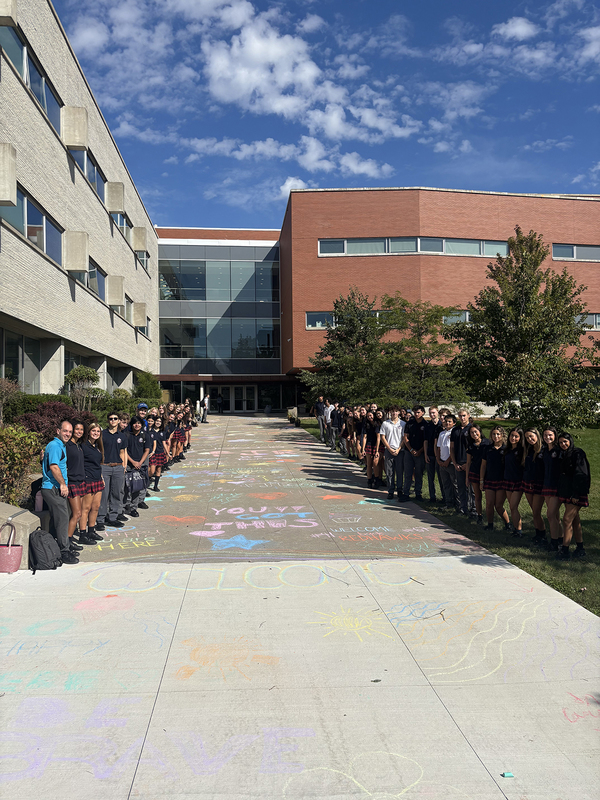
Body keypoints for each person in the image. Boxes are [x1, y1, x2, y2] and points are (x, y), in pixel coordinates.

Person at [40, 419, 79, 564]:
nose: (67, 434)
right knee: (63, 518)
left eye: (69, 431)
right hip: (53, 488)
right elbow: (54, 467)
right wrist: (63, 484)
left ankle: (60, 547)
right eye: (65, 431)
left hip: (55, 487)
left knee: (62, 517)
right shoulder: (56, 445)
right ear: (58, 431)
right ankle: (64, 552)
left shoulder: (58, 445)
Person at [556, 432, 590, 561]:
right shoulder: (563, 454)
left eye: (565, 441)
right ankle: (580, 548)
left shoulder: (577, 453)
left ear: (570, 441)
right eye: (560, 442)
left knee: (566, 520)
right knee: (575, 520)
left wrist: (576, 493)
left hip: (576, 492)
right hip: (566, 490)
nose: (563, 444)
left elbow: (581, 473)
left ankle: (565, 549)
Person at [96, 411, 128, 531]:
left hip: (118, 467)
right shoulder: (102, 434)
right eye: (111, 419)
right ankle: (100, 519)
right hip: (105, 466)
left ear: (119, 421)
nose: (113, 421)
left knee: (116, 493)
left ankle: (113, 517)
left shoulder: (122, 436)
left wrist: (124, 466)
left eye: (115, 418)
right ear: (108, 421)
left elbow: (123, 452)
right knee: (104, 494)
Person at [65, 420, 92, 550]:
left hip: (81, 481)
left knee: (78, 513)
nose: (79, 432)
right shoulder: (67, 446)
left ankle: (69, 539)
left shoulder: (79, 446)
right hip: (72, 482)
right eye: (77, 429)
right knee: (76, 514)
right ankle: (67, 542)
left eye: (81, 429)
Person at [480, 426, 511, 531]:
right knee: (489, 504)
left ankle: (508, 524)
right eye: (493, 434)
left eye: (498, 434)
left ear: (502, 435)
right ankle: (490, 525)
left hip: (502, 480)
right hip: (489, 479)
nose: (496, 436)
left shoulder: (506, 449)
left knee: (498, 505)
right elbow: (483, 465)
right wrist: (481, 480)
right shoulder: (487, 448)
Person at [80, 421, 105, 543]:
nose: (96, 433)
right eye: (93, 431)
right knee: (86, 508)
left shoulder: (98, 446)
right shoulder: (83, 446)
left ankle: (91, 530)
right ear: (89, 432)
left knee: (95, 507)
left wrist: (101, 477)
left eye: (98, 431)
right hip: (87, 480)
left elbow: (98, 464)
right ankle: (83, 534)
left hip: (97, 479)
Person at [123, 416, 151, 518]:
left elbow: (147, 450)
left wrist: (140, 462)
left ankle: (133, 508)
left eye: (139, 423)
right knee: (126, 487)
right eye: (135, 423)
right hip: (129, 464)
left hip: (140, 465)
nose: (137, 425)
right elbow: (124, 450)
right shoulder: (126, 435)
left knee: (136, 487)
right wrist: (133, 462)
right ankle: (125, 505)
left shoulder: (145, 436)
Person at [522, 428, 546, 547]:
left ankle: (543, 535)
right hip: (528, 482)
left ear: (537, 435)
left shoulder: (544, 450)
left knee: (536, 511)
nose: (530, 439)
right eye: (527, 438)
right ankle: (538, 534)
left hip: (539, 484)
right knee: (534, 511)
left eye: (531, 436)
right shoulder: (529, 450)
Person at [542, 427, 563, 552]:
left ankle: (554, 543)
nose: (547, 437)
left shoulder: (558, 451)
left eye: (550, 435)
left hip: (556, 486)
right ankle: (560, 538)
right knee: (555, 515)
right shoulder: (544, 450)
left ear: (555, 435)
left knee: (550, 515)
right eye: (545, 435)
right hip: (546, 484)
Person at [503, 428, 525, 537]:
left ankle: (519, 530)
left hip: (518, 482)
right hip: (507, 479)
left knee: (513, 506)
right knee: (512, 507)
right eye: (512, 435)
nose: (513, 438)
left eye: (516, 436)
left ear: (520, 438)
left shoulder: (522, 451)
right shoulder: (507, 450)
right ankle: (516, 529)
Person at [380, 406, 405, 500]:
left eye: (396, 411)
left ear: (399, 412)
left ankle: (399, 490)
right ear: (390, 413)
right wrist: (389, 448)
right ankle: (390, 490)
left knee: (399, 472)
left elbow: (404, 438)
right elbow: (383, 437)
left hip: (400, 451)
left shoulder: (403, 424)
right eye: (392, 412)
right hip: (389, 450)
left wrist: (399, 449)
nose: (394, 413)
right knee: (389, 472)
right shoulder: (385, 423)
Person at [402, 405, 427, 501]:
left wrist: (419, 451)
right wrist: (411, 450)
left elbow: (426, 441)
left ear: (423, 413)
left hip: (420, 452)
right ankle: (406, 493)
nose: (416, 414)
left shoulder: (425, 425)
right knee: (408, 473)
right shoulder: (409, 423)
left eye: (418, 412)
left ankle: (418, 493)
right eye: (415, 412)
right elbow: (405, 437)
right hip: (409, 452)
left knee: (418, 473)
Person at [465, 424, 489, 524]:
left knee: (489, 497)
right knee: (477, 496)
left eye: (476, 431)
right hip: (474, 472)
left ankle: (490, 517)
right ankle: (479, 516)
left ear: (480, 431)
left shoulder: (487, 443)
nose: (474, 434)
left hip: (487, 472)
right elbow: (468, 462)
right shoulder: (470, 446)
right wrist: (467, 477)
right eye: (472, 432)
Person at [450, 408, 472, 514]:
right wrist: (454, 463)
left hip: (469, 463)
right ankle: (463, 508)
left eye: (464, 415)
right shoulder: (455, 430)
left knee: (471, 488)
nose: (462, 418)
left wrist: (467, 464)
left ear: (468, 415)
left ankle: (473, 509)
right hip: (458, 463)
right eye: (460, 416)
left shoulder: (472, 429)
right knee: (460, 487)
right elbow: (452, 448)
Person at [435, 414, 457, 509]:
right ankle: (448, 503)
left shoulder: (454, 433)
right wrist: (439, 459)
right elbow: (439, 447)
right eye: (446, 421)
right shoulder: (442, 433)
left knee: (455, 484)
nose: (447, 423)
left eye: (450, 422)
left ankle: (458, 504)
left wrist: (449, 460)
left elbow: (453, 449)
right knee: (446, 484)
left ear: (454, 423)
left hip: (451, 463)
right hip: (442, 462)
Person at [424, 406, 444, 504]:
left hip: (440, 456)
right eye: (430, 413)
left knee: (441, 478)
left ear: (437, 413)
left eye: (434, 413)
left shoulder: (442, 426)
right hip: (430, 454)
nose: (432, 415)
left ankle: (445, 498)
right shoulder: (428, 426)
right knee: (430, 477)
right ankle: (432, 497)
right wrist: (425, 454)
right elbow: (426, 441)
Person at [361, 411, 380, 489]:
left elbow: (378, 437)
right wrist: (363, 449)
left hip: (376, 444)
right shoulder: (366, 425)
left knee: (375, 462)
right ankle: (369, 480)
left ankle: (376, 479)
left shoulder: (377, 424)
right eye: (368, 416)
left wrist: (377, 450)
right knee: (369, 463)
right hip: (369, 443)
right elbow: (364, 437)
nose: (370, 417)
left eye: (371, 416)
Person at [149, 416, 168, 491]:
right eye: (157, 421)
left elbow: (164, 444)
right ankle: (147, 483)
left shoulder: (162, 432)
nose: (158, 423)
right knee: (151, 471)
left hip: (160, 452)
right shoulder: (151, 431)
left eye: (160, 422)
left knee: (158, 469)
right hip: (152, 453)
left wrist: (167, 453)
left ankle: (155, 486)